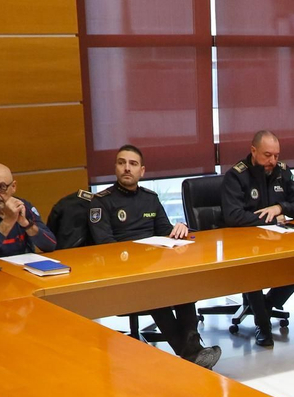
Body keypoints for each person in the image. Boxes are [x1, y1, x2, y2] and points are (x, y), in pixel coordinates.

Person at [90, 145, 220, 371]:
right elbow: (104, 247)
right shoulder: (102, 201)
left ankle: (192, 347)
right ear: (116, 168)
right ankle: (192, 352)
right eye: (122, 163)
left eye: (132, 164)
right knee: (154, 291)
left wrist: (178, 229)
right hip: (123, 273)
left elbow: (165, 231)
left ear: (142, 171)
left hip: (153, 268)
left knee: (182, 280)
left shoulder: (150, 199)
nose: (127, 168)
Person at [222, 130, 294, 347]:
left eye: (276, 155)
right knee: (253, 271)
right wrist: (271, 219)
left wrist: (281, 206)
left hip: (279, 242)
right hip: (245, 245)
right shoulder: (236, 176)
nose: (273, 161)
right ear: (253, 151)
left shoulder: (282, 172)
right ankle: (262, 324)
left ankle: (265, 305)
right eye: (267, 155)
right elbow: (233, 216)